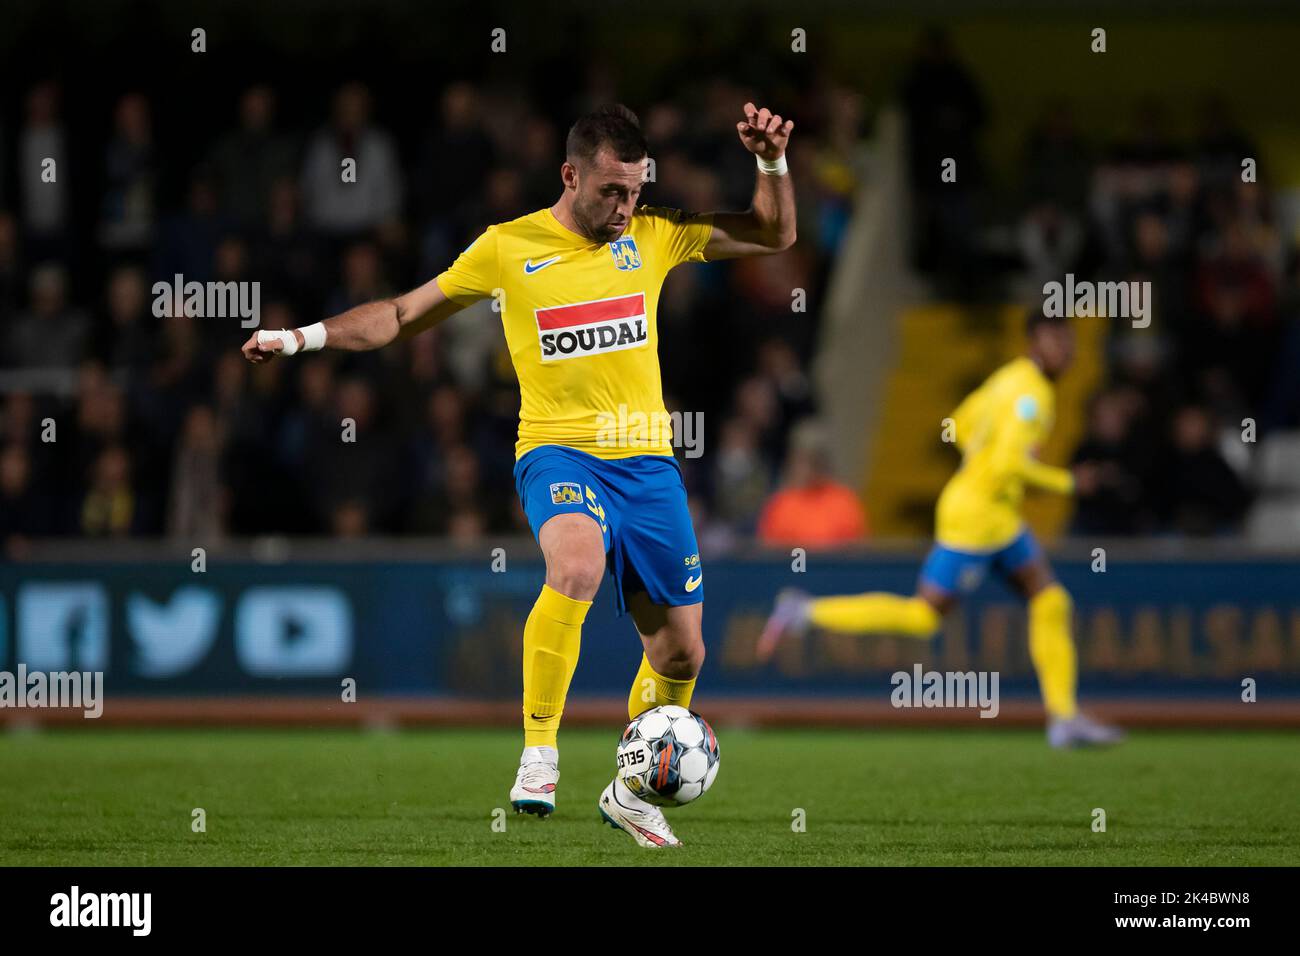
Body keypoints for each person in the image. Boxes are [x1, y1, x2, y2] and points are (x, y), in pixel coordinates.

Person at [243, 102, 797, 846]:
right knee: (577, 565)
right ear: (570, 175)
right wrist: (301, 338)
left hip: (648, 464)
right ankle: (540, 752)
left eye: (636, 191)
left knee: (682, 653)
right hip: (557, 451)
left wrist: (770, 161)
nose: (626, 207)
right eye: (612, 191)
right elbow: (402, 315)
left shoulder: (655, 233)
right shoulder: (507, 248)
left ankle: (632, 793)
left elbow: (774, 234)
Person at [758, 313, 1124, 749]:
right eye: (1054, 340)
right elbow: (1009, 463)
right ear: (1033, 342)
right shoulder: (1032, 396)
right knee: (924, 617)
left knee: (1050, 599)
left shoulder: (1008, 378)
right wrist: (1069, 482)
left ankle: (1063, 717)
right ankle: (804, 611)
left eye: (1068, 342)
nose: (1065, 350)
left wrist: (979, 461)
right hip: (976, 523)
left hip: (995, 515)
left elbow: (960, 423)